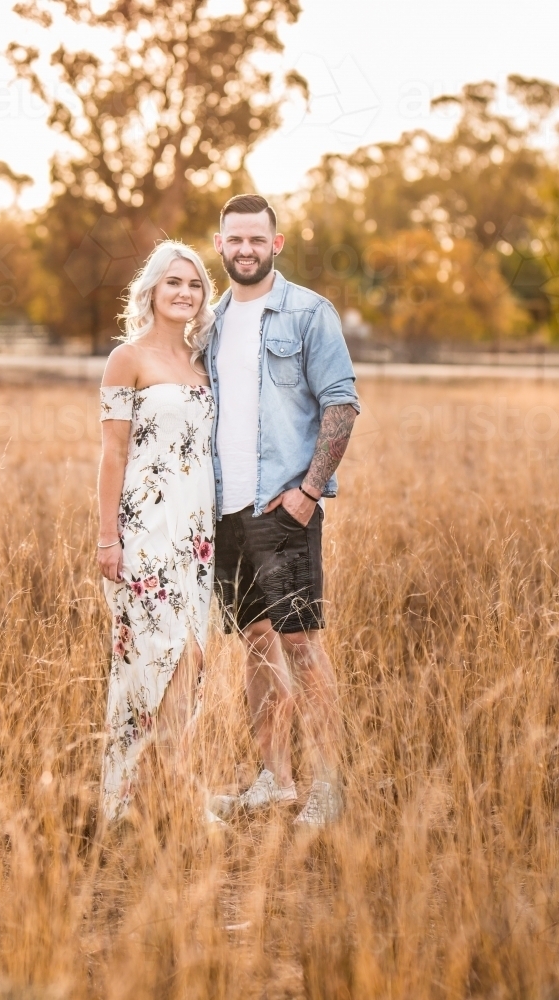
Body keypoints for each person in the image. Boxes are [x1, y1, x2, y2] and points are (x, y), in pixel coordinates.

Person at [206, 194, 360, 827]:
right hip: (226, 510)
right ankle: (274, 779)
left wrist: (307, 491)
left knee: (300, 645)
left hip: (283, 510)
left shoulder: (307, 312)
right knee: (258, 645)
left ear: (277, 244)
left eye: (256, 239)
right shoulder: (210, 319)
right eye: (234, 240)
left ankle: (329, 785)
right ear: (220, 246)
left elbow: (342, 405)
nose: (245, 249)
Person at [97, 240, 218, 824]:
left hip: (198, 535)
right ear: (151, 289)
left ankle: (170, 794)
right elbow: (111, 455)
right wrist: (106, 539)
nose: (184, 293)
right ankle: (128, 801)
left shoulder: (202, 364)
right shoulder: (128, 358)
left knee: (192, 658)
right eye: (173, 282)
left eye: (194, 285)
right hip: (145, 529)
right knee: (150, 661)